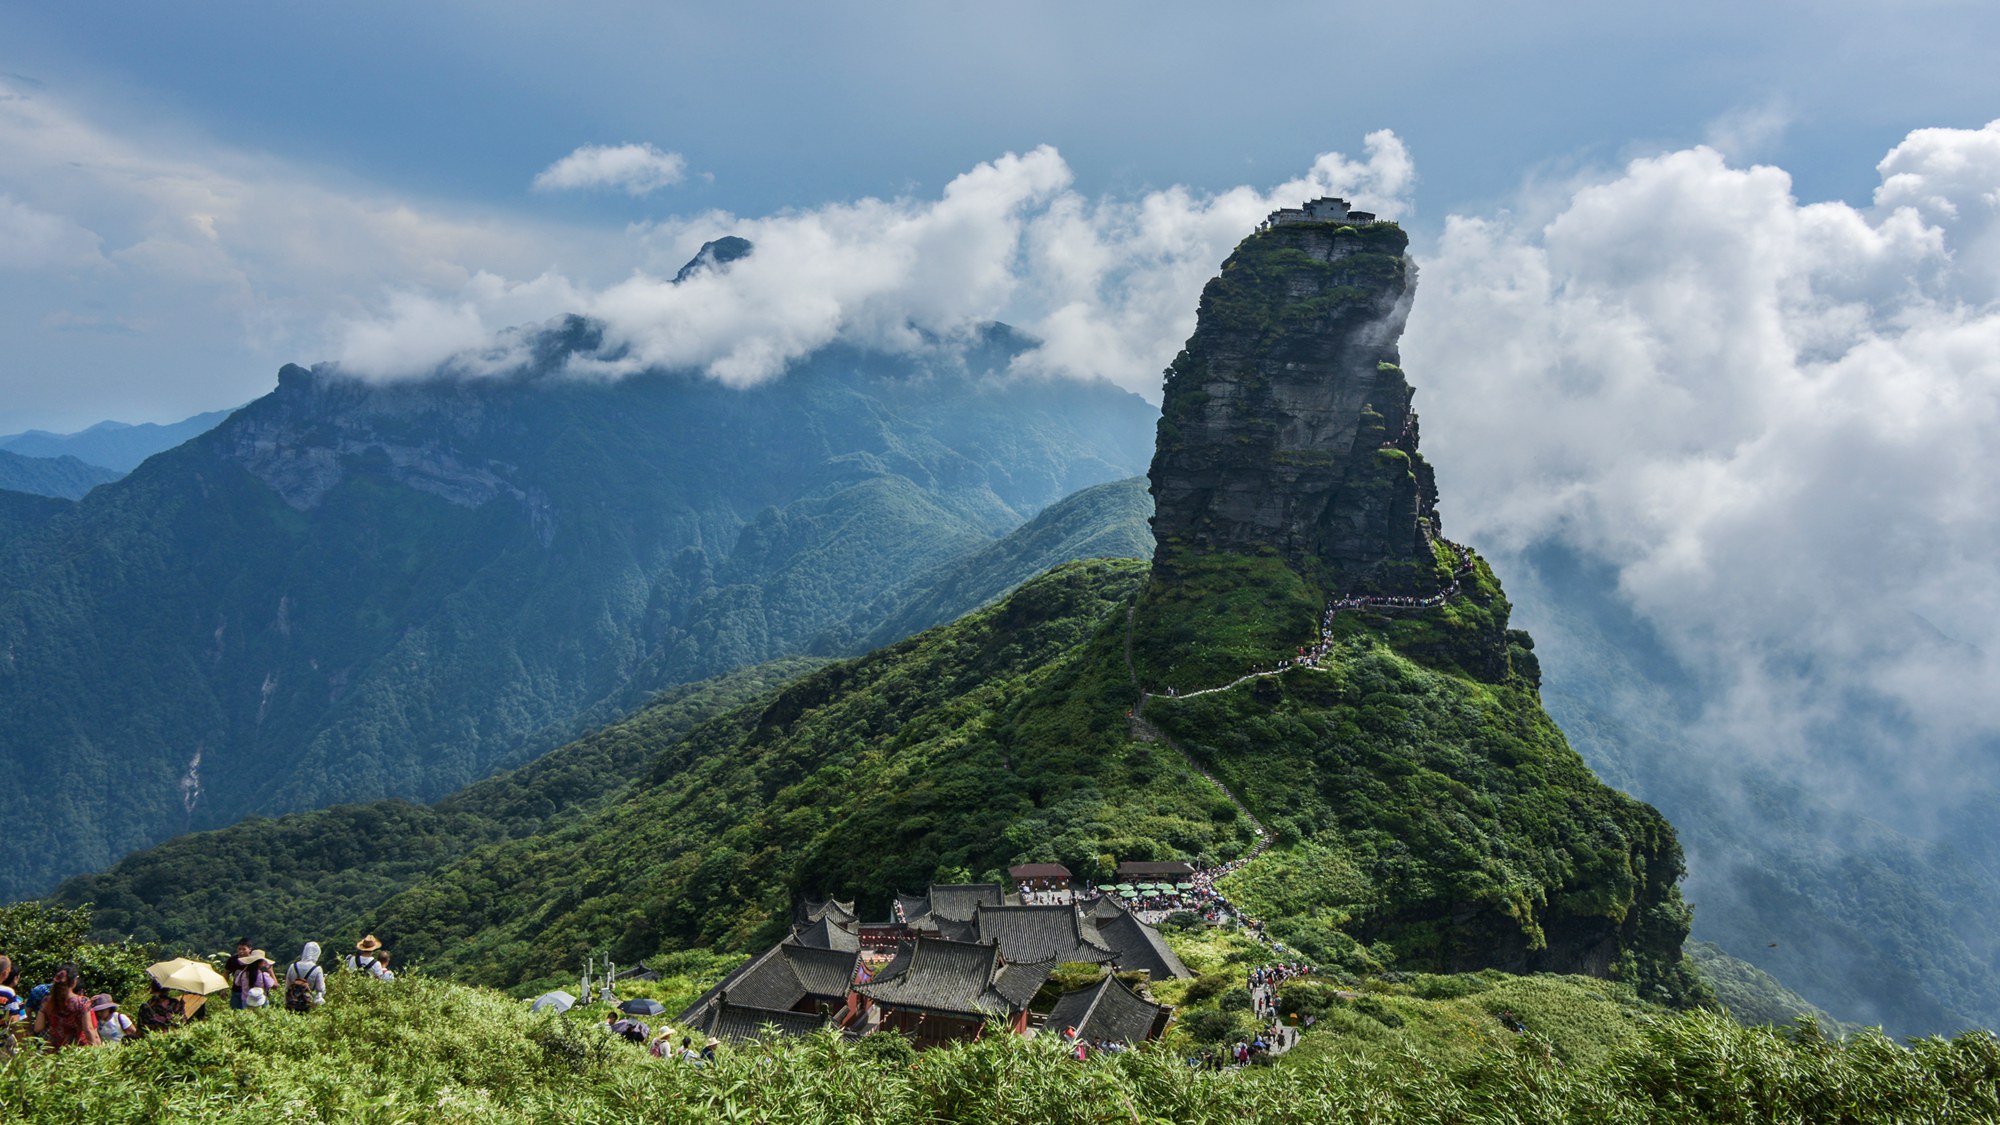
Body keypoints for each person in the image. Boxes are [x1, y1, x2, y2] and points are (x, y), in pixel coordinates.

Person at [33, 965, 99, 1049]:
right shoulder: (82, 1002)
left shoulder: (46, 1001)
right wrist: (96, 1050)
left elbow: (38, 1027)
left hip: (55, 1050)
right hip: (77, 1050)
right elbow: (88, 1029)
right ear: (74, 981)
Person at [285, 942, 327, 1011]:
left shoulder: (292, 966)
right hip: (307, 1004)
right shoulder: (317, 969)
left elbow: (287, 987)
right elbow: (321, 990)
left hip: (292, 1004)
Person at [223, 938, 255, 1010]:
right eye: (239, 949)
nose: (241, 951)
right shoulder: (233, 960)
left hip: (250, 993)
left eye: (244, 949)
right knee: (235, 1011)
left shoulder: (254, 961)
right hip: (236, 991)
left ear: (250, 949)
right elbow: (226, 973)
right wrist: (223, 989)